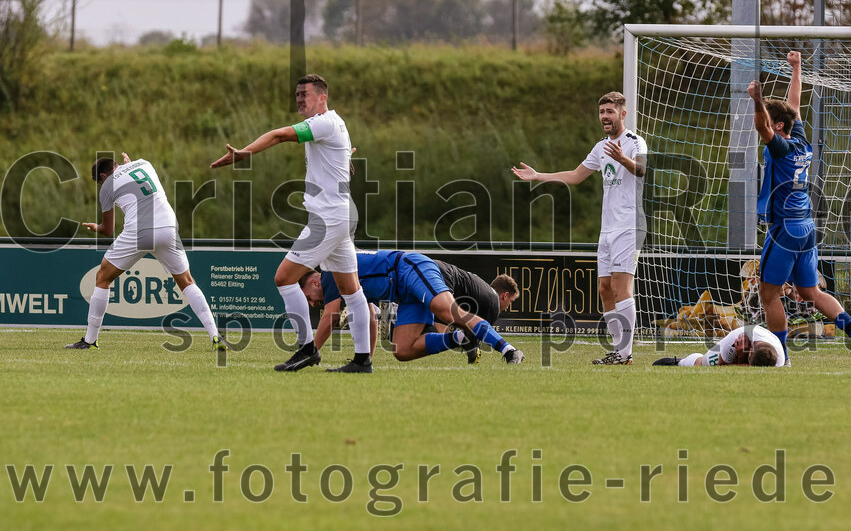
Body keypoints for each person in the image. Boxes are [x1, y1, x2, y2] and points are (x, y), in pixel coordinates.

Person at [211, 74, 371, 373]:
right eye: (297, 94)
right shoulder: (335, 122)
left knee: (284, 278)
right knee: (351, 290)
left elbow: (278, 135)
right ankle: (363, 360)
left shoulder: (323, 123)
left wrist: (244, 153)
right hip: (340, 213)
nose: (299, 99)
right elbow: (334, 155)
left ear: (322, 97)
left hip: (329, 217)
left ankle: (307, 349)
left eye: (304, 94)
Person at [748, 51, 851, 367]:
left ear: (778, 126)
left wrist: (757, 99)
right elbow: (795, 106)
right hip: (806, 227)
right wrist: (797, 68)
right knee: (811, 292)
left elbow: (763, 125)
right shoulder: (801, 140)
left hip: (784, 228)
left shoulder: (780, 147)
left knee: (769, 294)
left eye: (771, 122)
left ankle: (782, 357)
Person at [512, 91, 646, 365]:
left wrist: (622, 159)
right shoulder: (601, 146)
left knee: (621, 287)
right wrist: (538, 176)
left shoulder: (634, 141)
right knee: (604, 289)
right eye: (602, 112)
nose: (605, 116)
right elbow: (575, 176)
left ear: (623, 114)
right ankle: (618, 351)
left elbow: (642, 170)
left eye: (610, 111)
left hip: (629, 225)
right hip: (607, 228)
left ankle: (625, 353)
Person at [67, 153, 225, 351]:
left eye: (100, 183)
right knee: (187, 281)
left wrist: (96, 227)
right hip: (168, 227)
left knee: (102, 277)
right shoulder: (144, 163)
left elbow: (108, 230)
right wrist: (129, 164)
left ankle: (90, 340)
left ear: (103, 177)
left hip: (139, 231)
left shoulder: (107, 185)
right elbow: (132, 174)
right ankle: (216, 336)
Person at [300, 250, 524, 365]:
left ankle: (509, 350)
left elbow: (330, 316)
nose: (311, 303)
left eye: (308, 297)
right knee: (403, 350)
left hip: (410, 269)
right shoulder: (343, 279)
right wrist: (365, 359)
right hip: (403, 290)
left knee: (448, 311)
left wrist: (309, 353)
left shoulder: (330, 272)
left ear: (315, 282)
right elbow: (369, 316)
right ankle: (460, 339)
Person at [652, 325, 785, 367]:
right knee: (703, 364)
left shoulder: (779, 360)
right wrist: (740, 355)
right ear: (749, 351)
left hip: (746, 352)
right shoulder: (735, 340)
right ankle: (679, 362)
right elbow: (722, 367)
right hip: (729, 353)